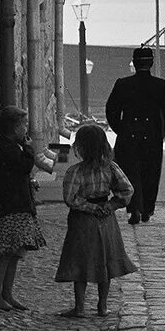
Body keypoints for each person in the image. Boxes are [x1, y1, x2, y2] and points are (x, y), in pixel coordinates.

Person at [54, 122, 136, 319]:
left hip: (82, 221)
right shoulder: (111, 168)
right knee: (105, 261)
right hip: (106, 219)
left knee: (80, 262)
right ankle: (102, 306)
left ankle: (80, 307)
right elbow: (127, 190)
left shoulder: (76, 171)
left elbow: (71, 198)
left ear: (81, 147)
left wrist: (90, 208)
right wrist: (110, 205)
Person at [0, 110, 54, 312]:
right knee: (6, 252)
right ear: (13, 127)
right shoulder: (7, 148)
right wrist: (29, 149)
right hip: (7, 208)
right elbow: (25, 166)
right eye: (23, 125)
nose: (26, 129)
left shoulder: (8, 146)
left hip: (15, 205)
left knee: (15, 252)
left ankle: (7, 294)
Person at [104, 48, 165, 223]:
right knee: (150, 174)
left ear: (134, 63)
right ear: (151, 63)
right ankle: (147, 209)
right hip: (152, 137)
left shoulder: (123, 84)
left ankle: (134, 207)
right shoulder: (161, 85)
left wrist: (120, 129)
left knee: (131, 173)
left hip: (128, 136)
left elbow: (111, 110)